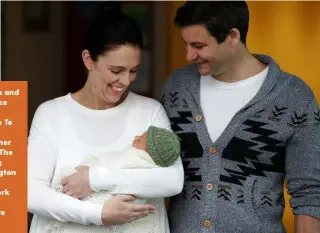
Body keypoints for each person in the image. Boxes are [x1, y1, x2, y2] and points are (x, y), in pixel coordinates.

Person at [160, 1, 320, 233]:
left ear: (233, 36)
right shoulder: (177, 88)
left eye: (198, 45)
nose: (189, 55)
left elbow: (309, 192)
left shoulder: (294, 96)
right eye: (186, 44)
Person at [27, 7, 184, 233]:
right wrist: (99, 215)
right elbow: (31, 192)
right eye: (116, 70)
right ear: (88, 60)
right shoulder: (51, 114)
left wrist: (95, 179)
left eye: (133, 70)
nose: (125, 81)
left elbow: (172, 181)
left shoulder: (150, 111)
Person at [44, 126, 181, 233]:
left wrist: (87, 168)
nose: (136, 137)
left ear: (149, 153)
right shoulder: (150, 169)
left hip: (101, 199)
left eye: (140, 140)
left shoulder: (134, 158)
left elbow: (110, 162)